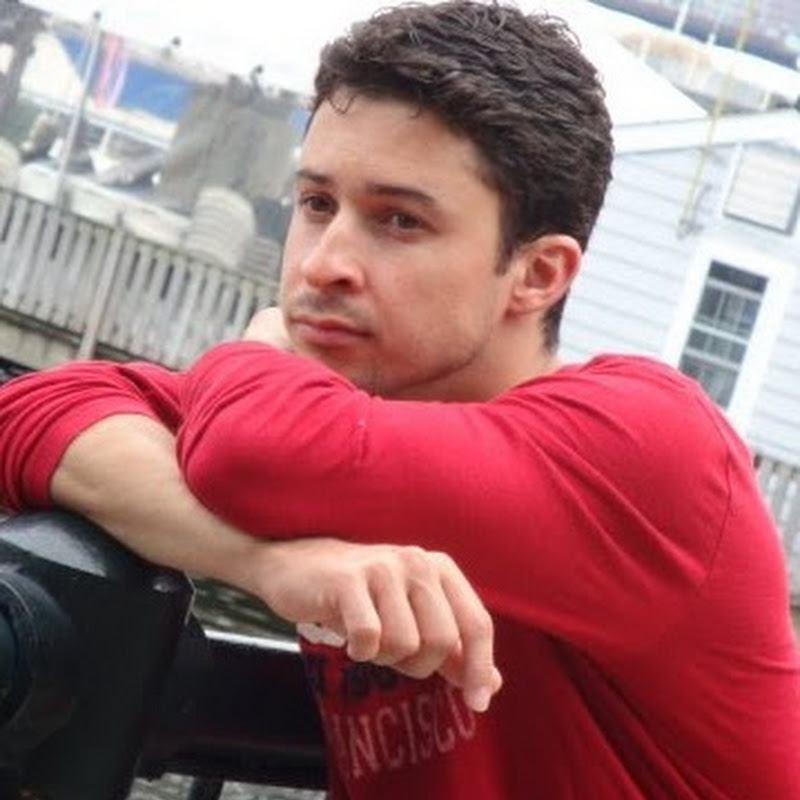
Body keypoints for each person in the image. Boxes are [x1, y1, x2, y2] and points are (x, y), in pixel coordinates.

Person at [1, 1, 799, 797]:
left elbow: (253, 449)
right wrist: (273, 565)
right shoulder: (344, 413)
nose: (323, 264)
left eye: (399, 221)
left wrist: (259, 345)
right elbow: (29, 416)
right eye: (317, 204)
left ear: (538, 274)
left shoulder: (646, 445)